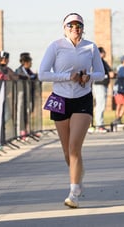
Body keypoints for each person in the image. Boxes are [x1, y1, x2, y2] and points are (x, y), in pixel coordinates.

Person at [38, 13, 105, 208]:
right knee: (68, 152)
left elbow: (101, 73)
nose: (75, 28)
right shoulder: (56, 46)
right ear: (64, 27)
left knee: (75, 147)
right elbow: (42, 74)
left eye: (79, 25)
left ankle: (74, 192)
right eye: (71, 25)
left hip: (82, 99)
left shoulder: (90, 47)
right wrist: (68, 76)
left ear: (83, 28)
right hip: (60, 99)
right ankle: (78, 176)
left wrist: (88, 77)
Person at [92, 47, 114, 133]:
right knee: (100, 105)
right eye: (103, 52)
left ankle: (100, 124)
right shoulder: (97, 61)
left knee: (102, 105)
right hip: (99, 85)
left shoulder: (103, 62)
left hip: (103, 85)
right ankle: (99, 125)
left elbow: (109, 71)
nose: (105, 54)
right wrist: (108, 74)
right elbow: (98, 73)